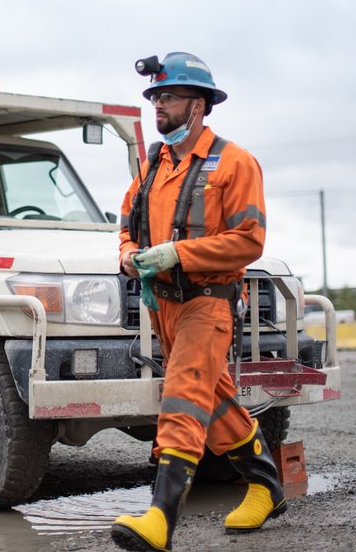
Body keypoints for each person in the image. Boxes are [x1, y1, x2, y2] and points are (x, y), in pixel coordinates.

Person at [111, 52, 285, 551]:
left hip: (207, 303)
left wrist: (177, 253)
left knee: (184, 396)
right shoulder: (153, 167)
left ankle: (161, 518)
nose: (158, 106)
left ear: (199, 105)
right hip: (161, 305)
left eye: (168, 97)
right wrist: (128, 255)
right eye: (155, 98)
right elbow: (126, 224)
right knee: (215, 398)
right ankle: (266, 486)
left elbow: (249, 240)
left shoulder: (235, 163)